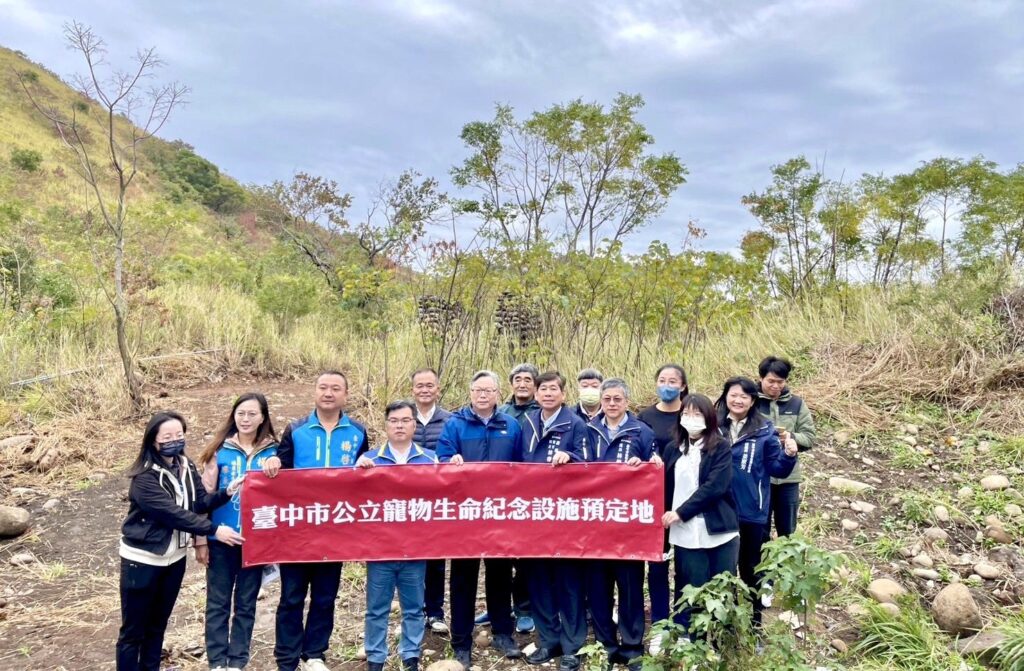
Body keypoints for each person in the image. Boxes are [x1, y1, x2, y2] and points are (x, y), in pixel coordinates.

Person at [117, 411, 244, 671]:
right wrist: (214, 530)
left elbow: (198, 502)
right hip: (142, 560)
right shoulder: (144, 478)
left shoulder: (184, 466)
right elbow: (173, 514)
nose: (175, 440)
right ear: (153, 441)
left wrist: (227, 492)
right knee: (133, 630)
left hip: (174, 560)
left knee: (157, 624)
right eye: (168, 437)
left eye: (179, 435)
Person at [262, 371, 369, 671]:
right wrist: (272, 462)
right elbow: (279, 471)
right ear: (315, 392)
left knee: (325, 596)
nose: (328, 393)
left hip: (336, 529)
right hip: (298, 530)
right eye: (323, 387)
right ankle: (287, 657)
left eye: (336, 388)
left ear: (345, 395)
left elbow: (365, 480)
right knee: (291, 596)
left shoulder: (358, 432)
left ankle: (315, 654)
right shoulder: (295, 430)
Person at [436, 370, 525, 668]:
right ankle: (461, 640)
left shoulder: (511, 425)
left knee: (500, 576)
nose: (482, 395)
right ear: (470, 392)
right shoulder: (455, 424)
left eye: (488, 390)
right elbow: (443, 457)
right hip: (466, 514)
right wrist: (451, 462)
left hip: (500, 513)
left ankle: (503, 633)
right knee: (463, 578)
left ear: (498, 394)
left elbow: (522, 467)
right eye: (477, 389)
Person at [195, 393, 280, 671]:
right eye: (241, 413)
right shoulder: (220, 451)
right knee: (217, 603)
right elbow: (202, 499)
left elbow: (286, 497)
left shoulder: (274, 452)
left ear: (263, 418)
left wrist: (277, 467)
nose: (245, 419)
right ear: (233, 416)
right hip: (221, 539)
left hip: (256, 543)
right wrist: (202, 541)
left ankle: (238, 661)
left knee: (246, 604)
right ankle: (217, 662)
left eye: (252, 414)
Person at [357, 400, 439, 671]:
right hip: (380, 549)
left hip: (415, 549)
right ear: (386, 425)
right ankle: (376, 658)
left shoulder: (430, 459)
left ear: (415, 424)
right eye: (394, 420)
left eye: (405, 420)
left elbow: (441, 502)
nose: (400, 425)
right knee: (377, 609)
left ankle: (410, 654)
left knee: (414, 607)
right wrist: (359, 474)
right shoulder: (370, 460)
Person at [584, 379, 658, 671]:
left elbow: (655, 466)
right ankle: (606, 646)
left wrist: (649, 465)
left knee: (629, 588)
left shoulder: (642, 432)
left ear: (627, 402)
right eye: (607, 399)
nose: (612, 404)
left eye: (617, 399)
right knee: (599, 589)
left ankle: (632, 646)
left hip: (629, 527)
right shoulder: (587, 430)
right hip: (594, 524)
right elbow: (578, 467)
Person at [715, 376, 797, 627]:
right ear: (725, 397)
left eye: (744, 396)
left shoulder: (764, 430)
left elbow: (777, 469)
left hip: (752, 512)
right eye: (733, 395)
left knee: (751, 568)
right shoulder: (714, 426)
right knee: (722, 570)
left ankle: (754, 623)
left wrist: (789, 455)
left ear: (752, 401)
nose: (737, 400)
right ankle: (724, 625)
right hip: (719, 511)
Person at [520, 372, 588, 671]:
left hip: (565, 515)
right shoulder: (528, 423)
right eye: (543, 389)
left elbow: (589, 465)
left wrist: (569, 457)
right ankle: (548, 640)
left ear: (563, 394)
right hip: (533, 514)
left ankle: (573, 645)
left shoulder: (576, 424)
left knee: (568, 581)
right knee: (539, 579)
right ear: (536, 395)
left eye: (553, 389)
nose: (547, 394)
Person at [660, 394, 739, 636]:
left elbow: (715, 487)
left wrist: (681, 512)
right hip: (684, 532)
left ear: (708, 418)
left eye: (697, 414)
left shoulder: (720, 447)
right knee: (690, 586)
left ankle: (722, 641)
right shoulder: (673, 448)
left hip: (718, 529)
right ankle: (691, 637)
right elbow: (662, 485)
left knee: (722, 586)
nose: (690, 419)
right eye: (686, 414)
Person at [637, 363, 688, 653]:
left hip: (684, 503)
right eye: (662, 380)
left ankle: (681, 625)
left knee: (684, 567)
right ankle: (659, 625)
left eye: (673, 381)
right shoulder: (645, 416)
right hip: (653, 504)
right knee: (656, 566)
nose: (667, 385)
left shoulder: (691, 415)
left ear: (682, 386)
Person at [492, 362, 540, 634]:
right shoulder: (501, 412)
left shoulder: (540, 413)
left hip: (529, 494)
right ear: (511, 384)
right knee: (499, 552)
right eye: (517, 379)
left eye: (527, 380)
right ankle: (498, 605)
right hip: (500, 495)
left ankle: (523, 607)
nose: (522, 384)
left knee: (525, 555)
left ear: (535, 385)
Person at [410, 368, 454, 635]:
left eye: (430, 385)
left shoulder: (450, 420)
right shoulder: (403, 416)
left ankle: (435, 612)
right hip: (408, 499)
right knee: (412, 557)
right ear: (413, 389)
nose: (424, 390)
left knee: (437, 558)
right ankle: (414, 612)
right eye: (419, 386)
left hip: (439, 499)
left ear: (438, 389)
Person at [756, 356, 816, 539]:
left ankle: (787, 565)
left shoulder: (796, 404)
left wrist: (790, 437)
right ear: (761, 379)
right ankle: (760, 566)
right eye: (771, 381)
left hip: (788, 478)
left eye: (780, 382)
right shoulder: (750, 402)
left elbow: (809, 437)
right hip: (759, 476)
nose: (775, 386)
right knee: (758, 527)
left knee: (787, 530)